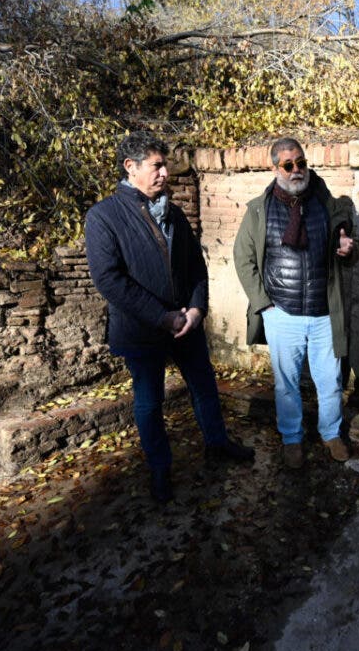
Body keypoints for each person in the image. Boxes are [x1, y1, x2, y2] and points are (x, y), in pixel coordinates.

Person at [86, 131, 252, 503]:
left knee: (204, 386)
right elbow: (109, 280)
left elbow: (196, 267)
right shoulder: (103, 216)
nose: (165, 174)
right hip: (142, 330)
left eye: (166, 165)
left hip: (186, 325)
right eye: (157, 166)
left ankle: (217, 443)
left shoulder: (173, 212)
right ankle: (159, 469)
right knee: (149, 402)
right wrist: (163, 317)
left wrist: (195, 309)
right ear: (131, 167)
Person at [233, 137, 359, 469]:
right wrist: (264, 305)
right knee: (287, 385)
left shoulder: (328, 205)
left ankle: (331, 434)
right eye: (288, 165)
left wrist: (349, 250)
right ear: (275, 168)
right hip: (282, 313)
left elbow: (350, 250)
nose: (296, 170)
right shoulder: (259, 210)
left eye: (301, 163)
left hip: (323, 312)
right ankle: (291, 439)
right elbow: (243, 257)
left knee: (330, 381)